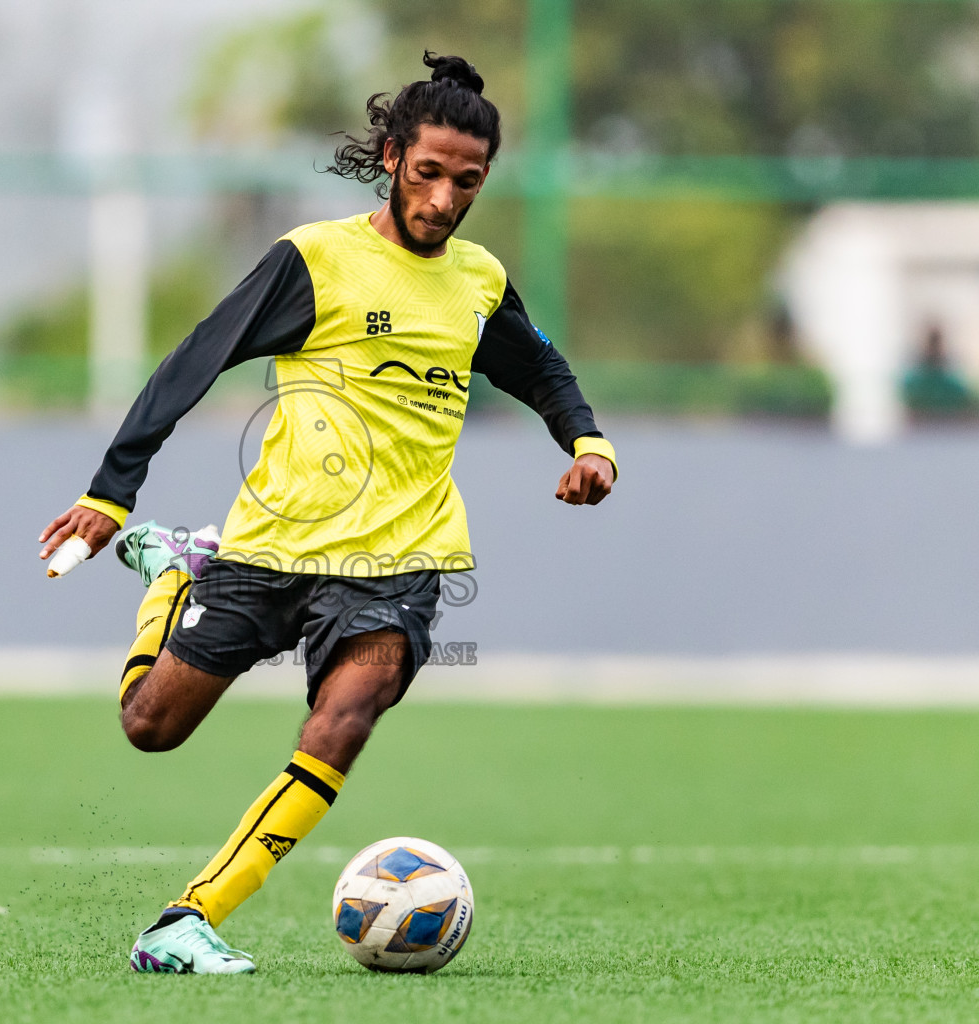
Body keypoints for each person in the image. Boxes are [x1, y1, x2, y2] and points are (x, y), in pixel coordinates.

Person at [36, 52, 617, 974]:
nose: (442, 199)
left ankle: (188, 919)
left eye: (466, 182)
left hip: (404, 558)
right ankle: (174, 573)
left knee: (346, 716)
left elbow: (540, 368)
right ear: (391, 156)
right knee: (150, 725)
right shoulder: (316, 260)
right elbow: (193, 362)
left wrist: (588, 444)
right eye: (427, 174)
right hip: (273, 543)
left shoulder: (477, 281)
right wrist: (111, 492)